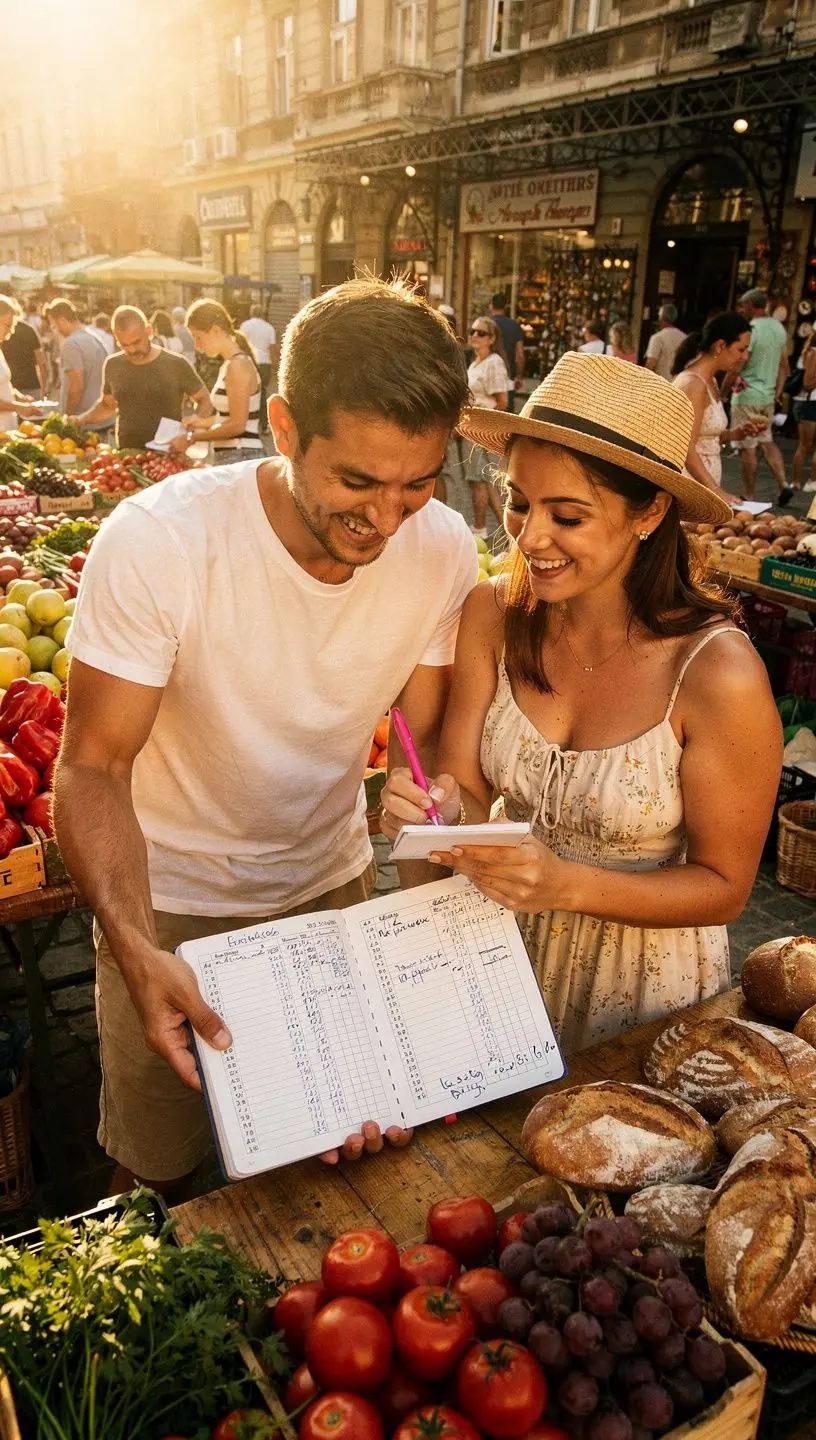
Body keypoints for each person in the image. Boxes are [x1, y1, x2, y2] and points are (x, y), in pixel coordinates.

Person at [54, 276, 476, 1195]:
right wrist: (134, 945)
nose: (384, 518)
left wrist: (431, 794)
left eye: (415, 485)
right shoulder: (163, 540)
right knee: (155, 1176)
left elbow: (420, 726)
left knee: (321, 1171)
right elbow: (90, 766)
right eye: (356, 481)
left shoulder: (443, 547)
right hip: (168, 905)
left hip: (330, 889)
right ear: (283, 428)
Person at [379, 352, 781, 1054]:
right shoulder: (491, 615)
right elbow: (467, 787)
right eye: (518, 501)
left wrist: (564, 885)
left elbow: (724, 888)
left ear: (650, 512)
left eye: (567, 515)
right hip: (501, 959)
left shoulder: (719, 673)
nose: (529, 537)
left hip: (648, 997)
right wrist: (437, 818)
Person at [73, 306, 213, 451]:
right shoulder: (112, 364)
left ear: (149, 331)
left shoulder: (176, 363)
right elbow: (107, 405)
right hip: (127, 455)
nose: (132, 350)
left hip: (169, 454)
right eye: (124, 345)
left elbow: (204, 399)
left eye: (136, 342)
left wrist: (195, 421)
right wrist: (81, 419)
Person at [670, 313, 754, 499]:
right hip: (690, 484)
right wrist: (716, 491)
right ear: (720, 346)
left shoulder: (711, 381)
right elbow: (685, 447)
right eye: (741, 349)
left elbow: (701, 435)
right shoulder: (694, 384)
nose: (745, 356)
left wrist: (733, 434)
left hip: (703, 483)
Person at [171, 299, 263, 465]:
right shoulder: (231, 364)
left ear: (215, 330)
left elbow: (237, 425)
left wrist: (192, 437)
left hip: (240, 456)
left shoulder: (237, 366)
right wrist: (199, 423)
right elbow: (228, 419)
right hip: (235, 456)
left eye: (198, 337)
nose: (198, 346)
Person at [733, 289, 791, 503]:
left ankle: (748, 494)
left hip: (747, 393)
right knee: (767, 441)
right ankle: (783, 484)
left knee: (748, 447)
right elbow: (785, 364)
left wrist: (728, 384)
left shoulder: (751, 329)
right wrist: (778, 392)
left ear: (750, 305)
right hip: (767, 396)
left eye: (743, 304)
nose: (741, 308)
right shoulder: (778, 328)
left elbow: (741, 360)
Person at [465, 316, 509, 538]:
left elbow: (502, 402)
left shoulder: (494, 362)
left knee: (479, 481)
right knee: (485, 483)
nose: (474, 335)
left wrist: (485, 431)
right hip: (473, 429)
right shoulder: (475, 363)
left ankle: (480, 529)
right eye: (472, 331)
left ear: (491, 338)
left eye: (481, 332)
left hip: (483, 431)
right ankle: (507, 533)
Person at [43, 299, 107, 423]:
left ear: (62, 320)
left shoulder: (71, 344)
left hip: (82, 421)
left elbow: (76, 388)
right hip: (100, 417)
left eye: (54, 325)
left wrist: (67, 419)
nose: (55, 330)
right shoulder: (93, 337)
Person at [0, 296, 39, 428]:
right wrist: (18, 407)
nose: (9, 332)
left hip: (7, 429)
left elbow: (5, 385)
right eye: (6, 325)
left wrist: (20, 397)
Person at [489, 293, 525, 411]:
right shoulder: (514, 326)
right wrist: (519, 376)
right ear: (506, 307)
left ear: (491, 306)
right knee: (507, 419)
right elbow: (520, 355)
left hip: (488, 375)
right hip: (507, 378)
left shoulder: (486, 325)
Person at [1, 309, 47, 399]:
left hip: (19, 387)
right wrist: (45, 386)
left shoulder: (28, 329)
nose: (10, 332)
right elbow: (41, 361)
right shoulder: (29, 329)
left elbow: (41, 360)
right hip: (29, 385)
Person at [792, 333, 816, 492]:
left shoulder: (809, 351)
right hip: (809, 403)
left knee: (806, 445)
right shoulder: (813, 353)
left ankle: (804, 481)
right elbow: (807, 383)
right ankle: (803, 481)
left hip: (807, 403)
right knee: (805, 445)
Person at [239, 304, 278, 393]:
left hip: (248, 362)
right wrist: (276, 367)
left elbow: (240, 345)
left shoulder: (244, 326)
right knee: (263, 391)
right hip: (265, 364)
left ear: (251, 313)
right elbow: (272, 350)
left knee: (248, 391)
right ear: (262, 314)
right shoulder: (269, 328)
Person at [644, 304, 687, 381]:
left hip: (661, 385)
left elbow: (650, 365)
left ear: (661, 318)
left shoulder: (657, 338)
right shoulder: (685, 338)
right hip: (678, 384)